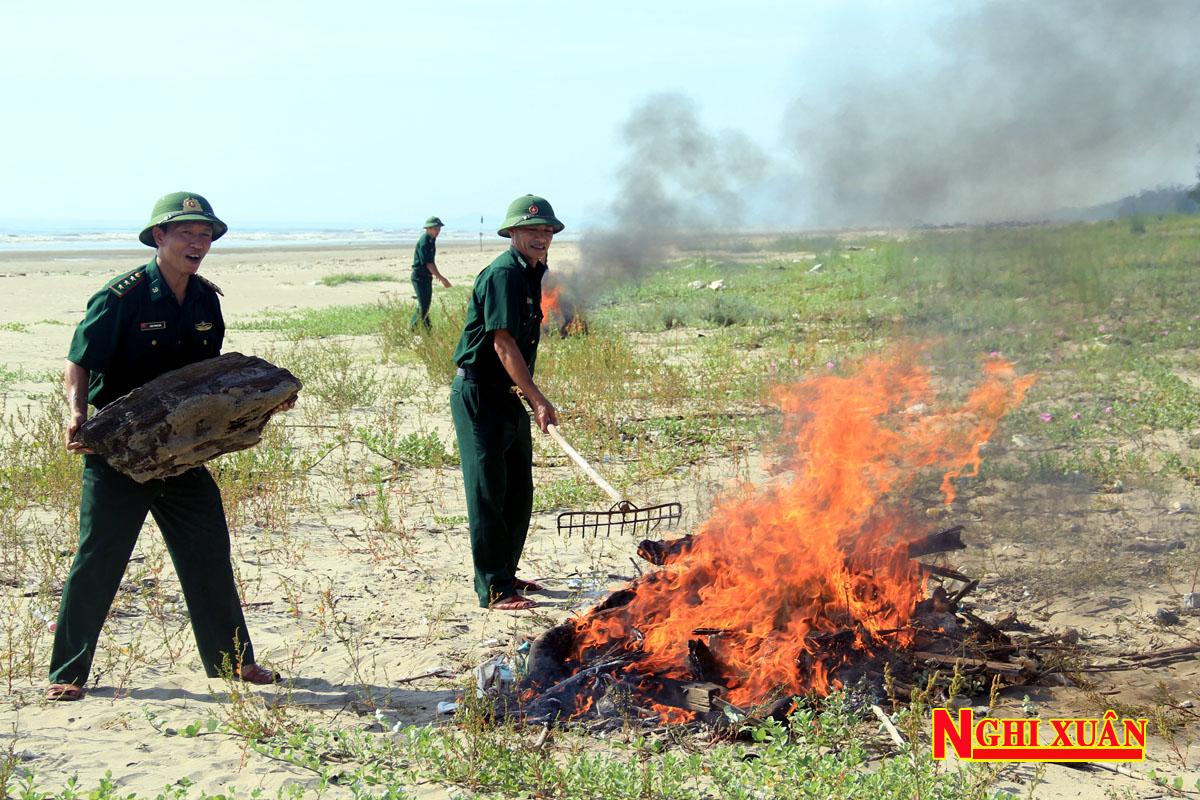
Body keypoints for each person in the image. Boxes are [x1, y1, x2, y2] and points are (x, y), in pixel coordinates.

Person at [46, 192, 281, 701]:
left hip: (179, 455)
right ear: (159, 237)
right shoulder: (120, 298)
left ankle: (233, 662)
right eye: (186, 234)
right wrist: (77, 411)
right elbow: (78, 361)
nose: (198, 244)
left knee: (208, 550)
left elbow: (206, 382)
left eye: (205, 236)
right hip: (120, 454)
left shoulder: (205, 301)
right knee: (100, 557)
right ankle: (67, 671)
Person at [450, 194, 564, 610]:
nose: (541, 237)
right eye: (532, 230)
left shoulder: (533, 272)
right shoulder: (503, 274)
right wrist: (537, 398)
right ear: (513, 233)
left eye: (547, 230)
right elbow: (502, 343)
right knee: (487, 491)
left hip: (508, 395)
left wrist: (525, 394)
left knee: (518, 489)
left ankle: (507, 572)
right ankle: (494, 588)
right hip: (479, 393)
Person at [410, 216, 452, 329]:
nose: (438, 231)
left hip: (426, 276)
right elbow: (429, 263)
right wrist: (441, 278)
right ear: (428, 228)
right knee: (424, 305)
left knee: (425, 304)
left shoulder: (431, 239)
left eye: (439, 228)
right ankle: (414, 328)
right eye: (435, 228)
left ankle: (427, 329)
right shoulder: (425, 241)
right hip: (419, 277)